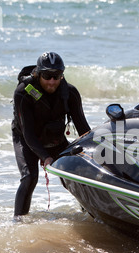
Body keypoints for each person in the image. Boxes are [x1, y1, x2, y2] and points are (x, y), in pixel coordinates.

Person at [11, 52, 90, 217]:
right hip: (27, 137)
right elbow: (28, 133)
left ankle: (91, 213)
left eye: (56, 76)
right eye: (47, 76)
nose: (52, 81)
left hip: (55, 137)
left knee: (78, 173)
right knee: (29, 177)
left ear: (62, 75)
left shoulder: (70, 93)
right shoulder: (24, 92)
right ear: (39, 74)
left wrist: (94, 153)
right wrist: (45, 156)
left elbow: (84, 130)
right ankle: (18, 222)